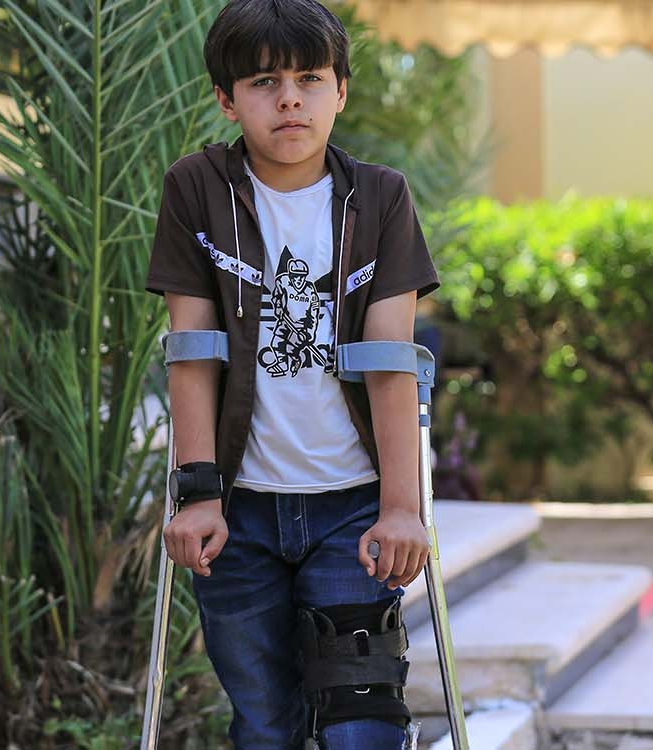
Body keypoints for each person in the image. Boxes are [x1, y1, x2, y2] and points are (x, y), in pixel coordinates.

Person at [143, 1, 441, 747]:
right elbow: (192, 349)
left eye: (311, 78)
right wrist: (199, 495)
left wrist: (401, 508)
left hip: (352, 510)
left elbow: (389, 362)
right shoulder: (198, 188)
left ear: (341, 90)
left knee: (362, 728)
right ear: (225, 96)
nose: (289, 99)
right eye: (263, 81)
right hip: (239, 513)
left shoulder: (380, 197)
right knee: (267, 727)